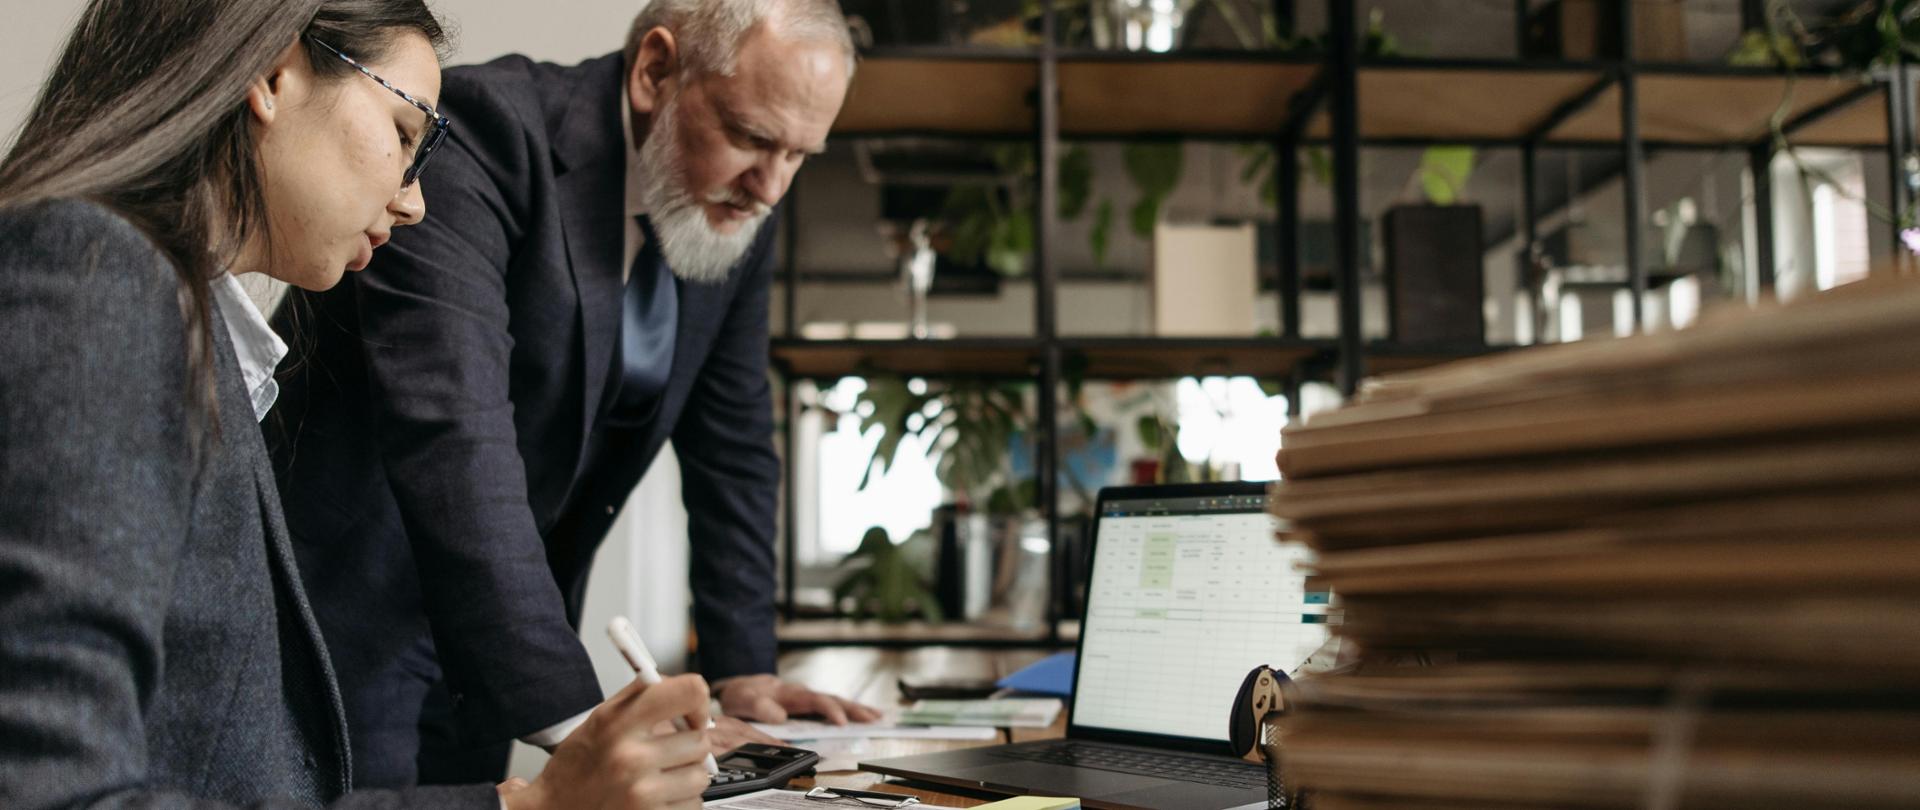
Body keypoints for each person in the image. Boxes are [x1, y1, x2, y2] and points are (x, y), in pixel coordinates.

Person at [0, 1, 710, 808]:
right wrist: (535, 806)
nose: (413, 202)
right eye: (406, 136)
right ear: (270, 74)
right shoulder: (94, 283)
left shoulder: (186, 330)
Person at [266, 0, 881, 786]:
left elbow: (733, 448)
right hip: (343, 612)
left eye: (802, 155)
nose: (771, 185)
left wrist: (742, 670)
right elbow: (454, 432)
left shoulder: (739, 205)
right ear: (656, 70)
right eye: (752, 138)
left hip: (493, 649)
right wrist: (581, 722)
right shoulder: (485, 134)